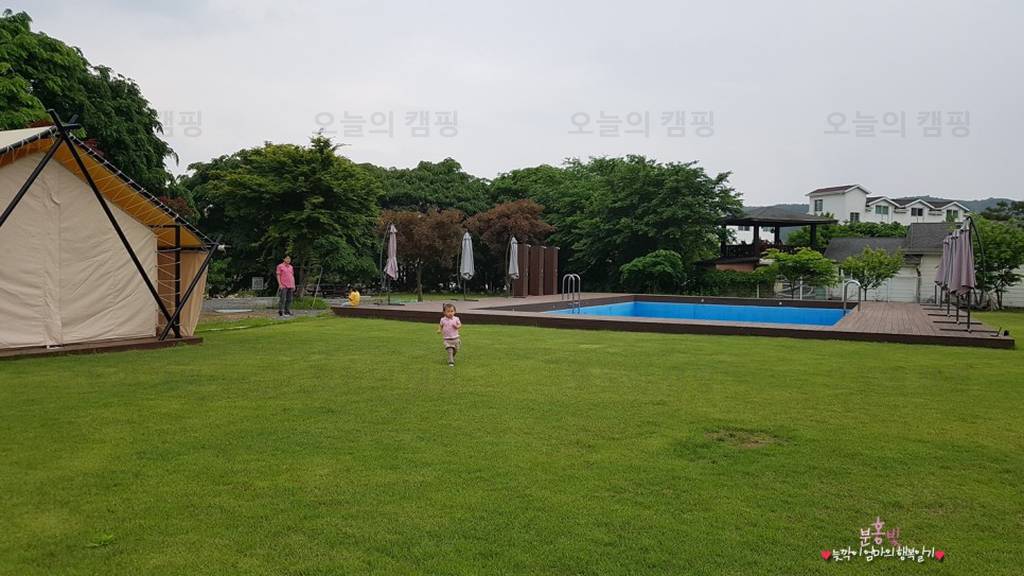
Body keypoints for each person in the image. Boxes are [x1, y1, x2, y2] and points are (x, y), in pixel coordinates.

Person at [437, 303, 462, 367]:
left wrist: (457, 326)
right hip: (447, 339)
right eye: (448, 311)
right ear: (444, 312)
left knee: (456, 350)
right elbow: (440, 325)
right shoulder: (443, 319)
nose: (450, 313)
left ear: (455, 311)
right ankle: (451, 362)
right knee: (450, 349)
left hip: (455, 338)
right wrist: (439, 330)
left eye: (452, 311)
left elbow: (460, 325)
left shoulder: (456, 318)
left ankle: (451, 357)